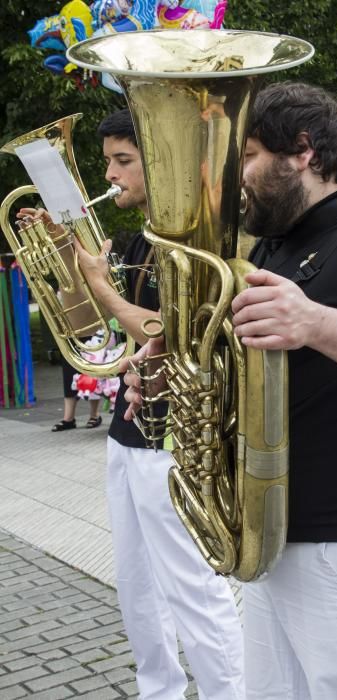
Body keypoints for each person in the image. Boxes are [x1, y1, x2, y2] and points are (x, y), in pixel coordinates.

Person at [124, 82, 337, 700]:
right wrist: (180, 362)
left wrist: (317, 323)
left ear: (304, 150)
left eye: (244, 156)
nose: (233, 177)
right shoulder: (273, 245)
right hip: (274, 536)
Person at [20, 108, 244, 700]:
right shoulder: (126, 239)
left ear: (159, 160)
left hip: (178, 437)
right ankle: (159, 690)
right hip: (129, 432)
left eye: (124, 161)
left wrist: (100, 287)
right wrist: (68, 262)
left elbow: (165, 330)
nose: (111, 175)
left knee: (192, 589)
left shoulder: (193, 239)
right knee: (137, 586)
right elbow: (86, 332)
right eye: (108, 163)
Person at [52, 349, 102, 431]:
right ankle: (68, 419)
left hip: (90, 339)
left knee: (92, 373)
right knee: (69, 374)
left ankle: (94, 415)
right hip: (69, 339)